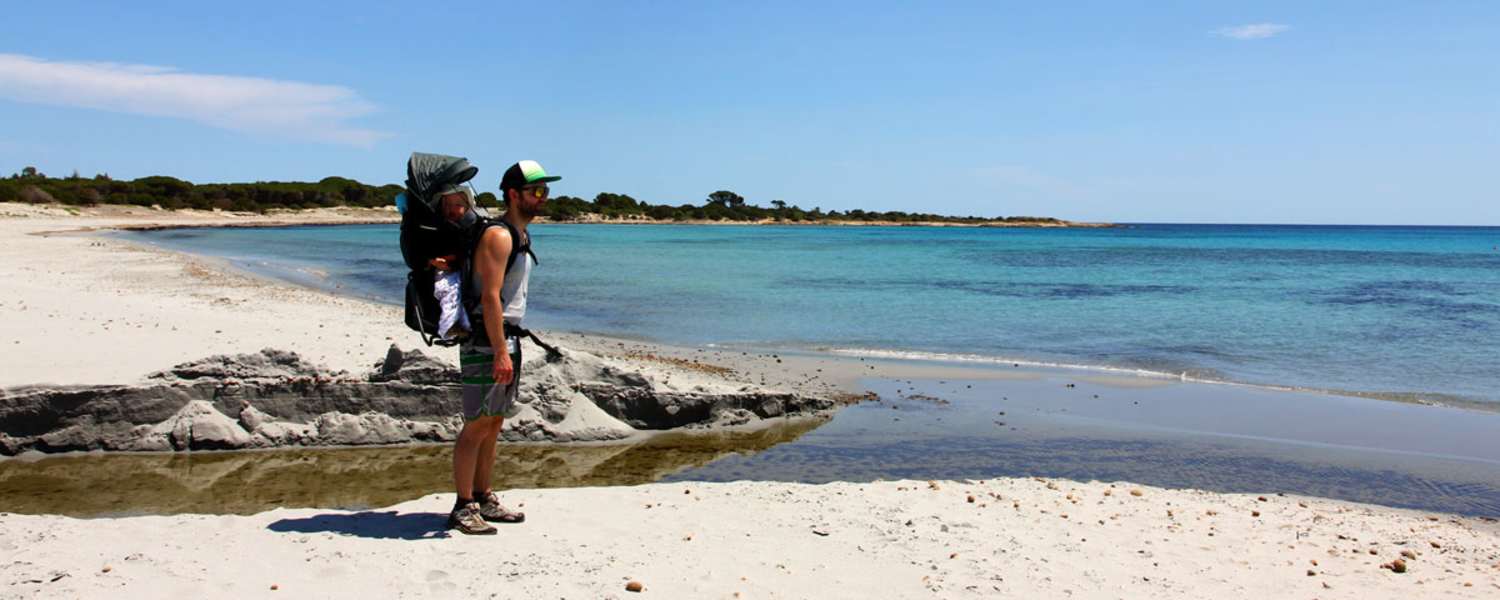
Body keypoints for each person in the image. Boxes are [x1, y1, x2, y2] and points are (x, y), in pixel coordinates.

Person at [448, 160, 559, 535]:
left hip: (505, 338)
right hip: (486, 340)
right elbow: (491, 298)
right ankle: (463, 506)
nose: (542, 198)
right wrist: (498, 350)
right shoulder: (499, 236)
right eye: (535, 191)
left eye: (545, 191)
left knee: (494, 423)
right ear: (514, 194)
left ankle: (484, 496)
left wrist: (505, 346)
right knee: (477, 424)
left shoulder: (519, 234)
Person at [431, 189, 472, 341]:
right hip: (444, 270)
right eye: (447, 204)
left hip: (459, 269)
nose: (451, 209)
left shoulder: (469, 229)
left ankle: (462, 325)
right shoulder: (439, 228)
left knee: (458, 295)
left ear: (468, 207)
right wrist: (433, 261)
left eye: (457, 205)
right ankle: (448, 327)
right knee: (449, 293)